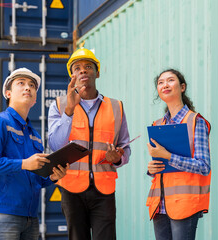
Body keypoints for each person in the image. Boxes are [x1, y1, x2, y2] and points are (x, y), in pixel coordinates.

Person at [48, 48, 131, 240]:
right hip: (71, 189)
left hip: (104, 190)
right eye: (77, 68)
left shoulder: (116, 107)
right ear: (72, 75)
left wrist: (118, 158)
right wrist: (69, 110)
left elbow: (125, 147)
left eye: (88, 67)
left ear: (97, 72)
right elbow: (55, 144)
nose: (83, 71)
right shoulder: (59, 105)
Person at [0, 67, 68, 240]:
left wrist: (54, 177)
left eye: (32, 85)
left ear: (34, 100)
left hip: (31, 217)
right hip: (3, 214)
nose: (28, 87)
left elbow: (37, 178)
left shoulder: (35, 136)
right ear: (8, 93)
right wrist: (24, 163)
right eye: (21, 83)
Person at [146, 69, 211, 240]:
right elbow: (162, 167)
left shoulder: (196, 122)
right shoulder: (157, 124)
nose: (165, 85)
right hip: (159, 205)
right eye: (160, 82)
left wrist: (168, 156)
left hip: (185, 204)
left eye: (170, 80)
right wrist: (152, 168)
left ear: (182, 87)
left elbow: (204, 166)